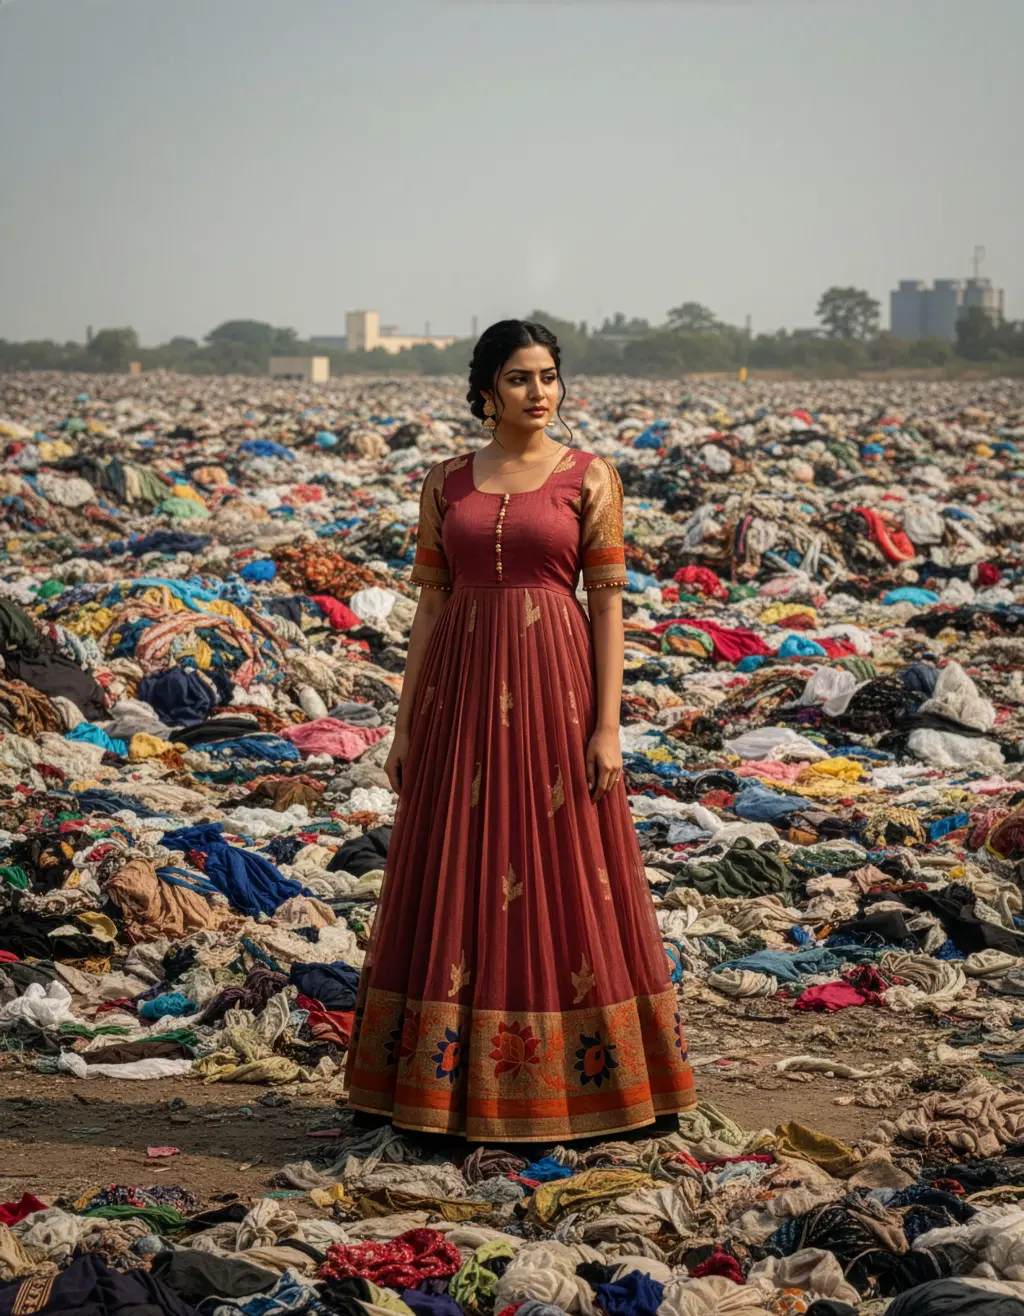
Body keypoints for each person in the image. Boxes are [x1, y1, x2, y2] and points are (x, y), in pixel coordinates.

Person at [344, 320, 696, 1143]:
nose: (539, 393)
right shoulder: (447, 482)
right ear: (486, 391)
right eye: (519, 379)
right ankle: (436, 1093)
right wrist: (403, 727)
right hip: (460, 697)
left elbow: (607, 604)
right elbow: (431, 605)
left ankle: (590, 1089)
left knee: (567, 867)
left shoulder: (590, 477)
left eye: (548, 377)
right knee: (455, 864)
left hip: (556, 694)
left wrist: (608, 727)